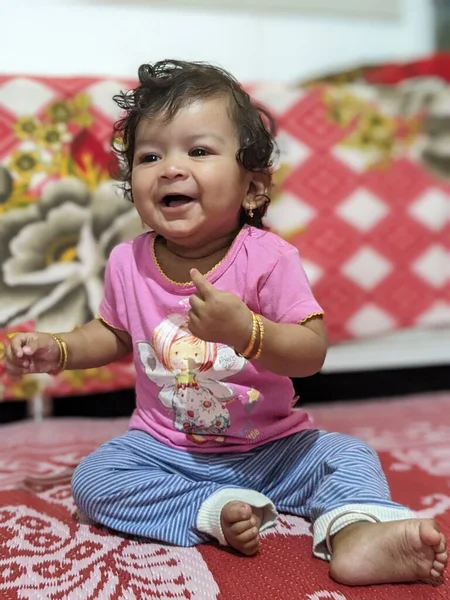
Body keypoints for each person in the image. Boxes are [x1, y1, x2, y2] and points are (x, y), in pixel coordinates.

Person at [6, 60, 447, 587]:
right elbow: (114, 334)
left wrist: (246, 332)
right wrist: (59, 348)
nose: (170, 168)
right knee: (96, 479)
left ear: (253, 188)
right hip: (163, 449)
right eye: (150, 156)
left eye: (198, 151)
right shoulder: (129, 260)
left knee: (346, 456)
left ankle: (356, 533)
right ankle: (212, 510)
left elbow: (310, 352)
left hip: (273, 449)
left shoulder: (267, 258)